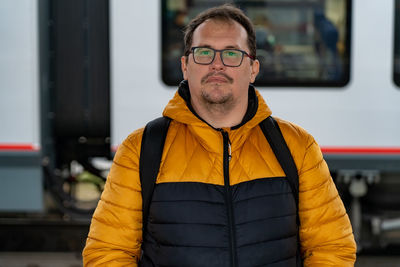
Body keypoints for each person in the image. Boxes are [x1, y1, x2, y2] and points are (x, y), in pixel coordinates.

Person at [82, 4, 356, 266]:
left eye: (232, 54)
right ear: (185, 66)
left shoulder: (297, 146)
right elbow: (107, 252)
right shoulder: (141, 149)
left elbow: (332, 247)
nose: (217, 65)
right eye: (204, 53)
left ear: (253, 69)